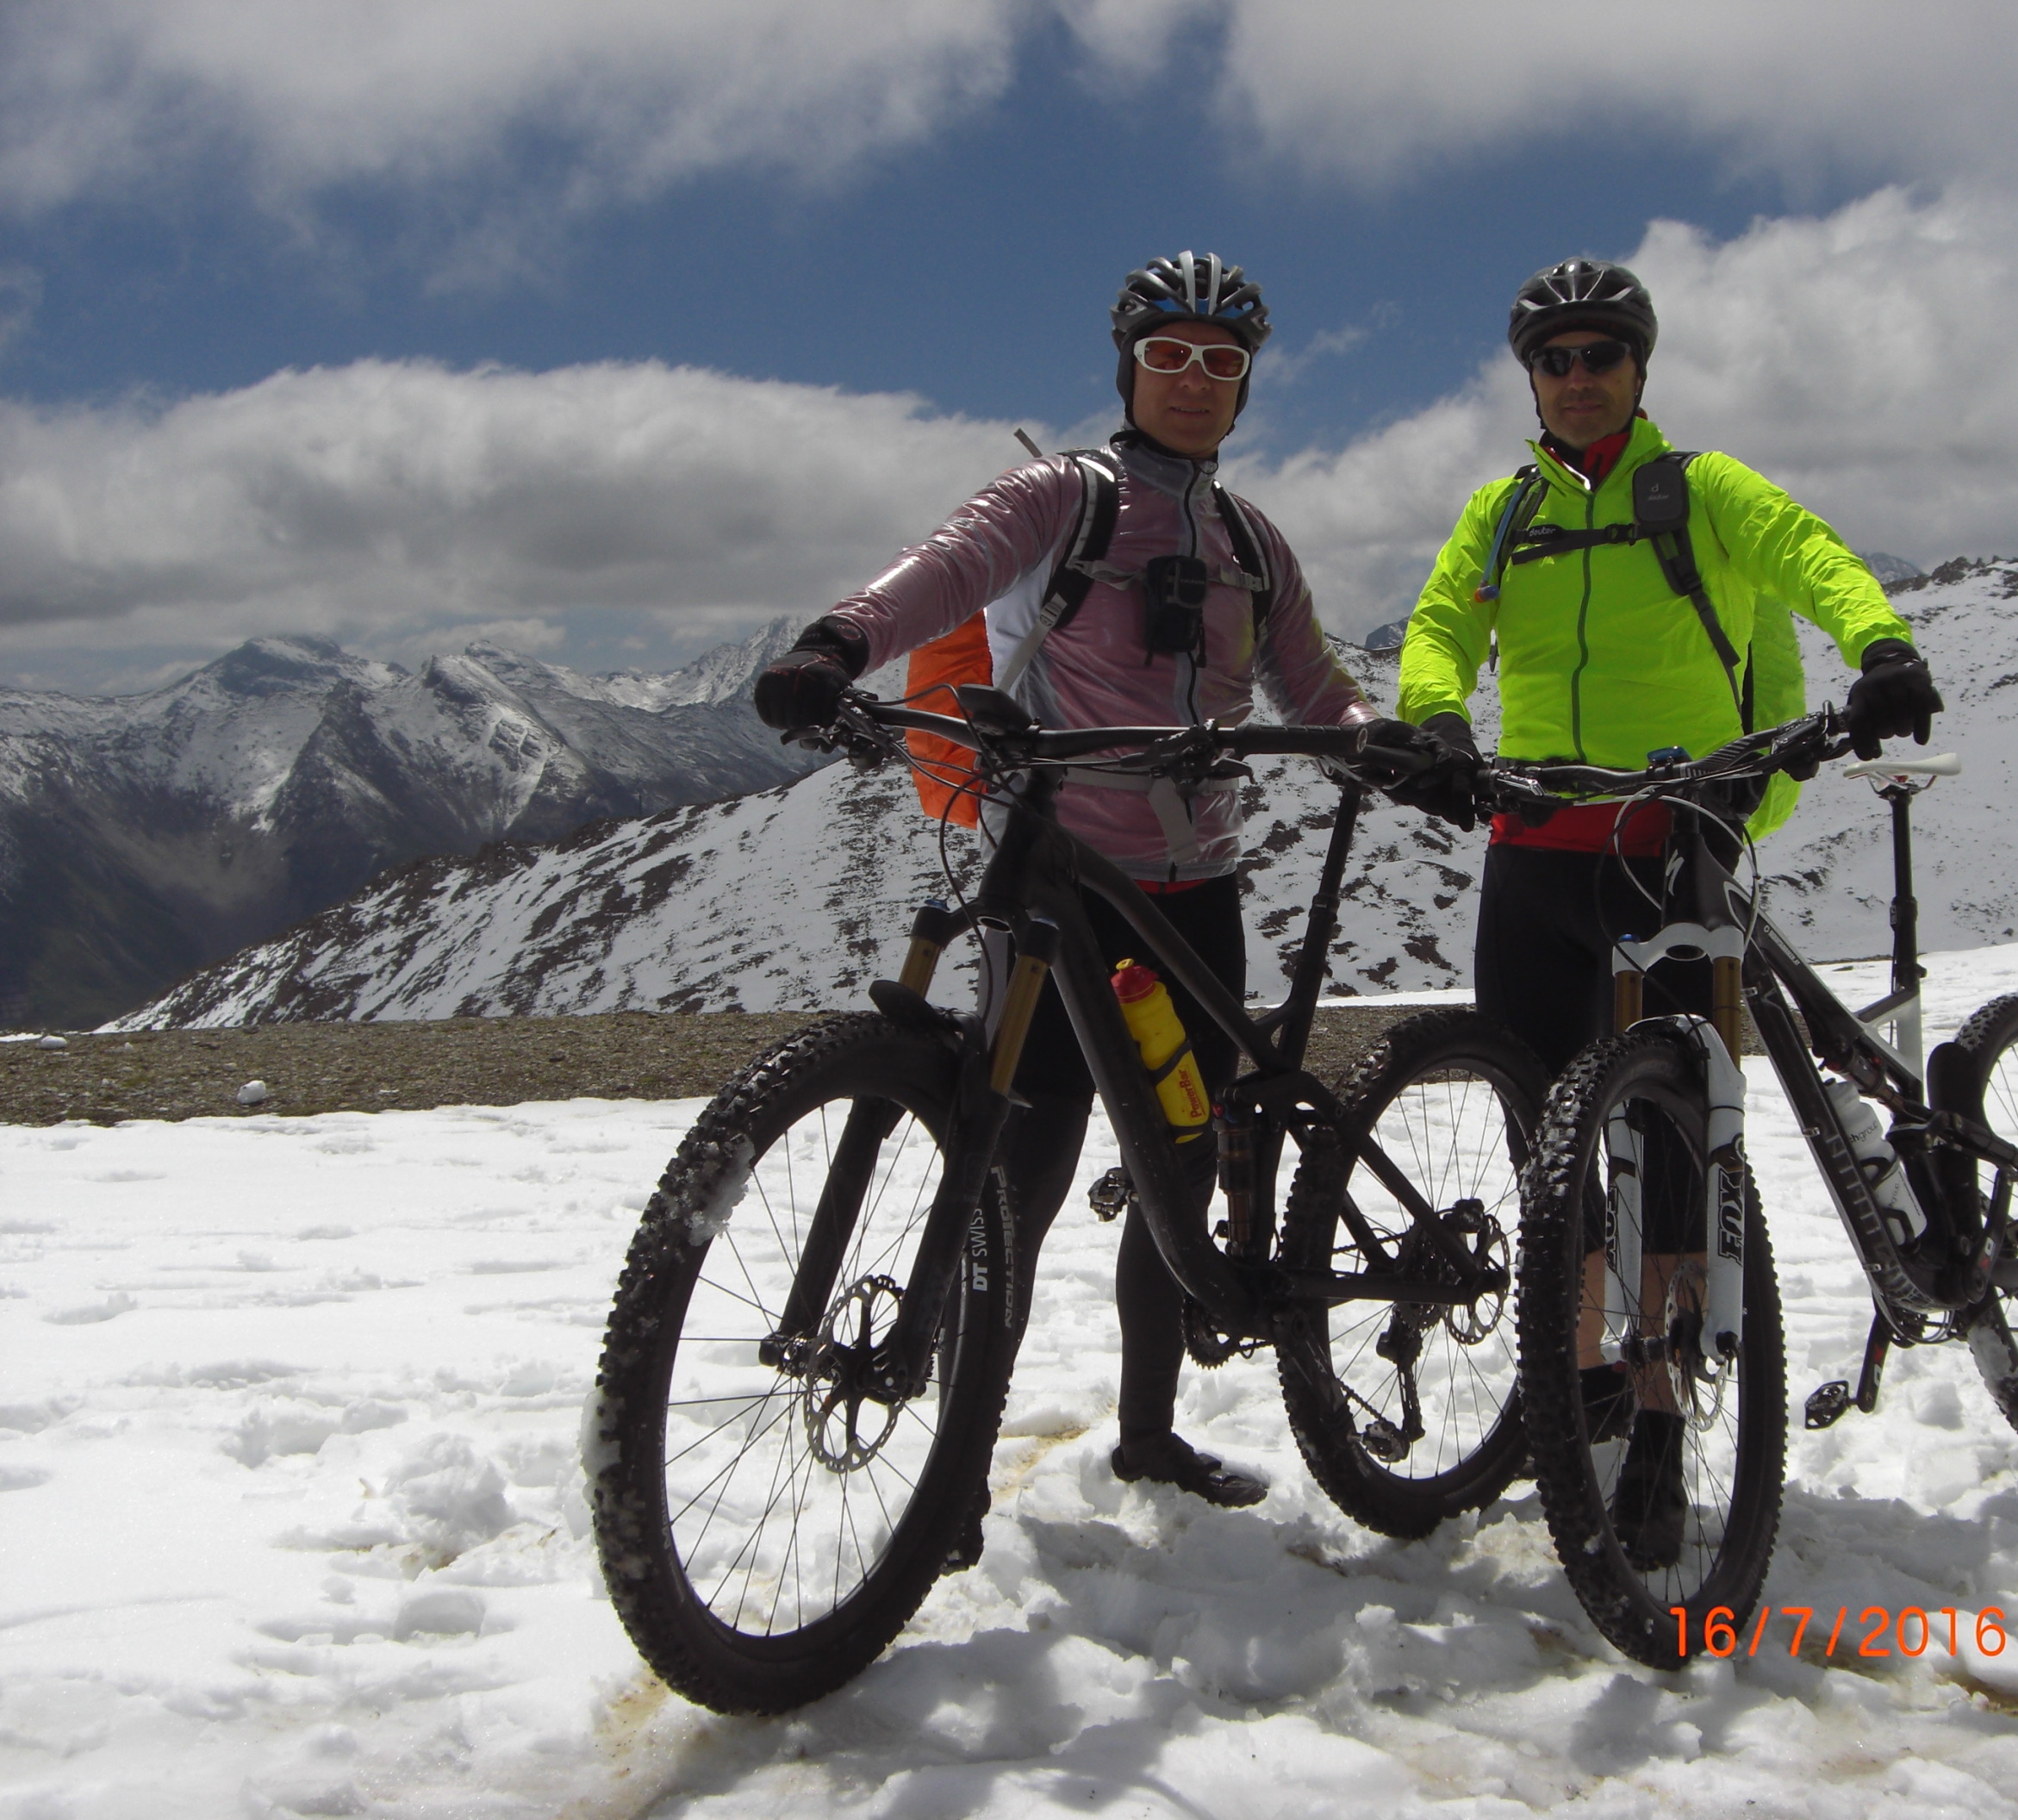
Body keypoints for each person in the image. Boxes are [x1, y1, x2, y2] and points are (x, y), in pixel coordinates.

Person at [754, 252, 1404, 1522]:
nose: (1195, 381)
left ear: (1246, 385)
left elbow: (1315, 686)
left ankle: (1150, 1438)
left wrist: (1380, 740)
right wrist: (837, 644)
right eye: (1170, 356)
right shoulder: (1061, 498)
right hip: (1057, 888)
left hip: (1195, 888)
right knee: (1022, 1174)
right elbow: (944, 567)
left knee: (1177, 1166)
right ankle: (956, 1482)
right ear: (1128, 368)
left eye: (1222, 363)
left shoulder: (1250, 541)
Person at [1392, 256, 1942, 1562]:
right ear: (1532, 379)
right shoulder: (1503, 514)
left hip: (1674, 839)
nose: (1578, 378)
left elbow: (1811, 557)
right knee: (1548, 1140)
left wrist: (1880, 645)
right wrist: (1433, 717)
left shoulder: (1702, 489)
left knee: (1678, 1142)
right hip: (1536, 844)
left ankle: (1656, 1406)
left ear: (1640, 370)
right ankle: (1579, 1373)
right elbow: (1440, 626)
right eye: (1556, 360)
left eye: (1602, 356)